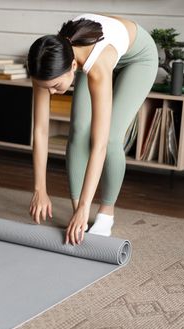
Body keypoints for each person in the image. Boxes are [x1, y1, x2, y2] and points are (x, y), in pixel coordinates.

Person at [27, 13, 158, 245]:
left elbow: (99, 144)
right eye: (45, 87)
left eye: (56, 86)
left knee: (111, 137)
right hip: (92, 54)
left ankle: (106, 213)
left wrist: (90, 205)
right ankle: (79, 213)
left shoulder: (96, 66)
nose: (52, 93)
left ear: (73, 66)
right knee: (78, 129)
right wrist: (40, 190)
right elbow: (40, 130)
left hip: (138, 58)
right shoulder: (46, 63)